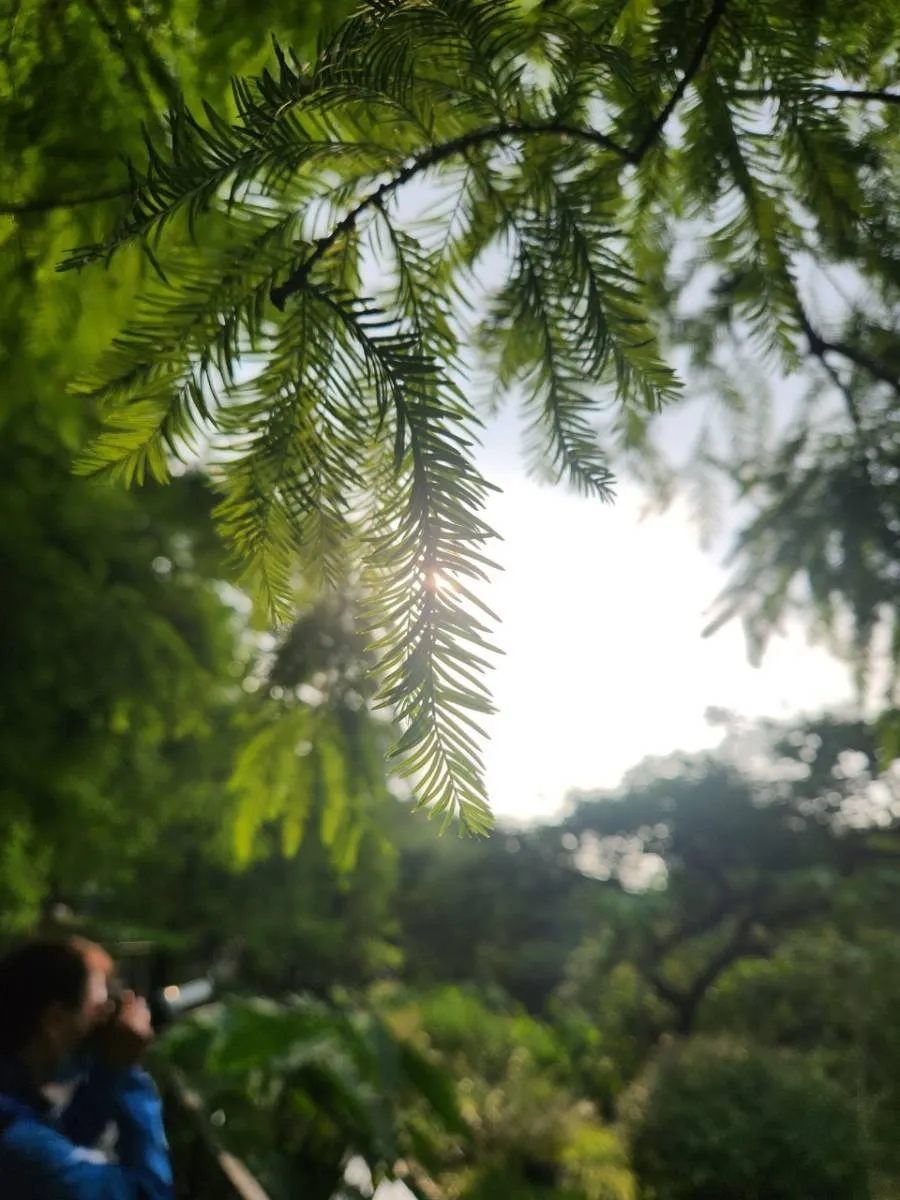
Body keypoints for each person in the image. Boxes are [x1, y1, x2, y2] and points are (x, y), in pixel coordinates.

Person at [0, 935, 174, 1198]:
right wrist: (129, 1079)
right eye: (99, 1008)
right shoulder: (18, 1142)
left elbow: (64, 1139)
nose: (106, 1022)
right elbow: (147, 1195)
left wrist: (110, 1068)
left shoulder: (14, 1102)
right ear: (54, 1020)